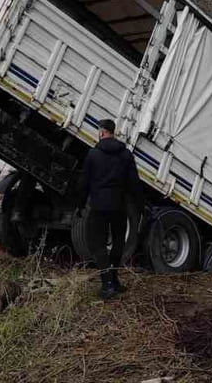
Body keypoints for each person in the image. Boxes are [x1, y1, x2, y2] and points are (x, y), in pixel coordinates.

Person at [77, 118, 142, 300]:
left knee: (97, 245)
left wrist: (80, 204)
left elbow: (84, 182)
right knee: (118, 243)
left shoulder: (93, 154)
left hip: (98, 207)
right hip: (119, 206)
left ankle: (107, 284)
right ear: (114, 132)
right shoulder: (126, 155)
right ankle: (115, 280)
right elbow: (134, 183)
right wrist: (140, 205)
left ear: (101, 132)